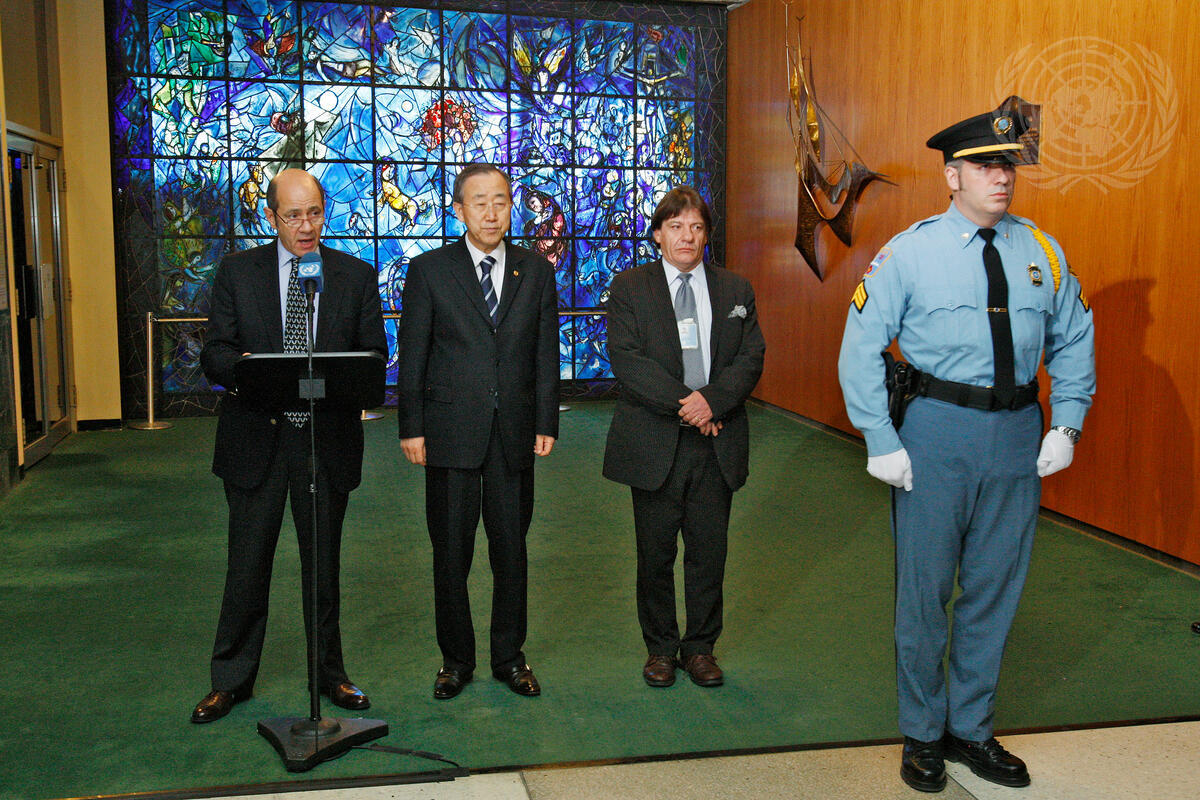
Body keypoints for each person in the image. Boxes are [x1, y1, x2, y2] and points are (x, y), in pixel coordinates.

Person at [837, 97, 1095, 792]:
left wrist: (1067, 421)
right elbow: (860, 346)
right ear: (952, 177)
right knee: (925, 593)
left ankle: (971, 729)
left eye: (1008, 165)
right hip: (935, 435)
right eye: (984, 166)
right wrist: (880, 437)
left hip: (1016, 436)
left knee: (994, 589)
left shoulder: (1042, 250)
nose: (1001, 177)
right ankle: (922, 733)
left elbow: (1074, 337)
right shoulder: (910, 252)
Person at [191, 168, 387, 723]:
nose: (306, 226)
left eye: (315, 213)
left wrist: (336, 379)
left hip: (326, 442)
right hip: (257, 442)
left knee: (322, 568)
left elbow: (374, 355)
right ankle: (230, 680)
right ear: (271, 216)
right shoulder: (238, 272)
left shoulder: (354, 276)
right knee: (247, 566)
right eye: (294, 215)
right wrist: (255, 376)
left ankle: (330, 675)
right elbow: (216, 351)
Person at [397, 164, 559, 700]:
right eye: (480, 202)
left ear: (511, 207)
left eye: (501, 201)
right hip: (448, 432)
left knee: (511, 551)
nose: (492, 213)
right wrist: (412, 427)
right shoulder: (428, 271)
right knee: (451, 553)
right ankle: (455, 660)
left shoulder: (536, 271)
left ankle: (510, 657)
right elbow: (413, 354)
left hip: (514, 432)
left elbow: (545, 353)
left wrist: (546, 420)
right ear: (459, 209)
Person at [602, 186, 765, 689]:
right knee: (654, 555)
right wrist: (691, 407)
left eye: (696, 227)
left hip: (716, 444)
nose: (686, 237)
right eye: (675, 226)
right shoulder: (630, 287)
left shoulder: (735, 290)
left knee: (708, 554)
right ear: (658, 234)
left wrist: (713, 401)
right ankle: (659, 649)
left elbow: (751, 358)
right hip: (655, 442)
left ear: (706, 235)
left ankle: (700, 649)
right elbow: (628, 360)